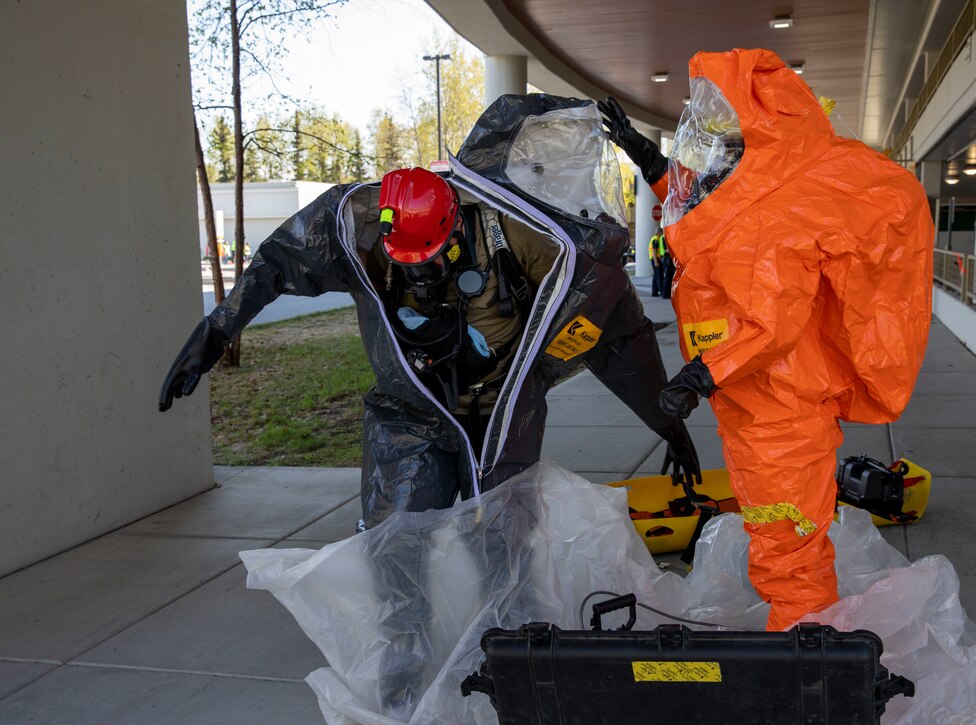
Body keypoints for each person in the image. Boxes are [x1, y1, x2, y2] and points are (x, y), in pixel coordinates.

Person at [160, 93, 701, 533]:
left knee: (504, 544)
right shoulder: (362, 235)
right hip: (411, 412)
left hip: (503, 412)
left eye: (433, 257)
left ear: (454, 223)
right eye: (408, 262)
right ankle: (406, 663)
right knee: (396, 545)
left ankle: (500, 654)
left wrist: (667, 424)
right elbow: (277, 262)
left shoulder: (521, 237)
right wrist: (217, 328)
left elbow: (615, 330)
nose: (422, 271)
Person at [600, 49, 933, 631]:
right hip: (756, 411)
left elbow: (770, 327)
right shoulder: (764, 201)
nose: (717, 156)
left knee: (788, 548)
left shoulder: (777, 217)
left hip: (780, 416)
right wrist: (650, 160)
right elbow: (703, 224)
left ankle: (804, 655)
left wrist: (702, 374)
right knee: (777, 536)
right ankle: (803, 646)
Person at [648, 227, 665, 297]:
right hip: (655, 259)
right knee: (659, 276)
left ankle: (654, 292)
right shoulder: (656, 239)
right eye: (662, 233)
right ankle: (662, 291)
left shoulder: (654, 238)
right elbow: (654, 250)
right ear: (659, 232)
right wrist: (656, 261)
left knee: (656, 276)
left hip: (654, 259)